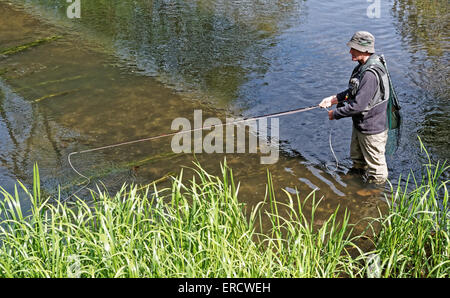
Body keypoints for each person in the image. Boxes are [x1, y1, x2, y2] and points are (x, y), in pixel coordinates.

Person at [319, 31, 390, 184]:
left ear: (365, 50)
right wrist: (333, 99)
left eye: (354, 48)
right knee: (357, 160)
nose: (350, 51)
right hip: (361, 125)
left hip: (372, 129)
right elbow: (354, 92)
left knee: (377, 171)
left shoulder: (370, 75)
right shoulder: (363, 66)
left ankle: (375, 195)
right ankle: (356, 185)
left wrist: (335, 114)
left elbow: (358, 106)